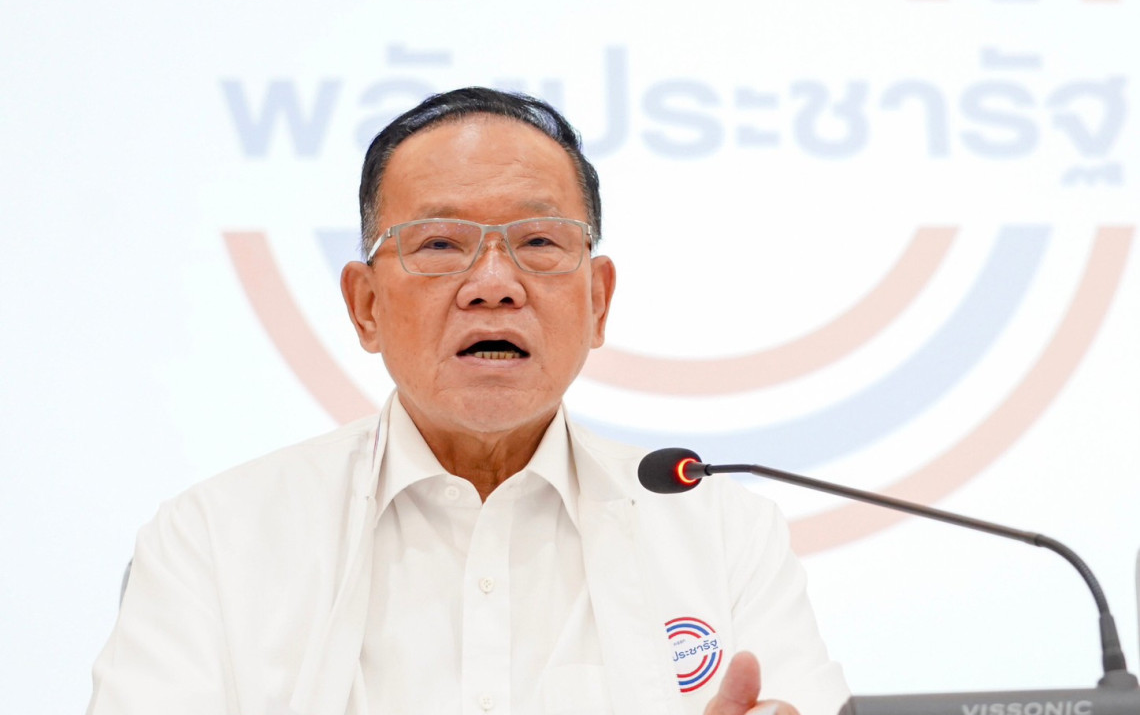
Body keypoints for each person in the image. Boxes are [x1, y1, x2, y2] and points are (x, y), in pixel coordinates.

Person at [87, 87, 849, 715]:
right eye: (440, 244)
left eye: (540, 242)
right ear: (365, 307)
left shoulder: (723, 534)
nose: (493, 284)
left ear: (597, 300)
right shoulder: (213, 540)